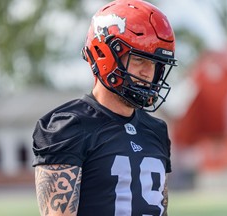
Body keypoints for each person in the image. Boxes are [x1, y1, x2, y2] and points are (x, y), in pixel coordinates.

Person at [32, 0, 177, 215]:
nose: (149, 73)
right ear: (105, 55)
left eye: (156, 64)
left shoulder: (156, 130)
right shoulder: (67, 127)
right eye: (140, 60)